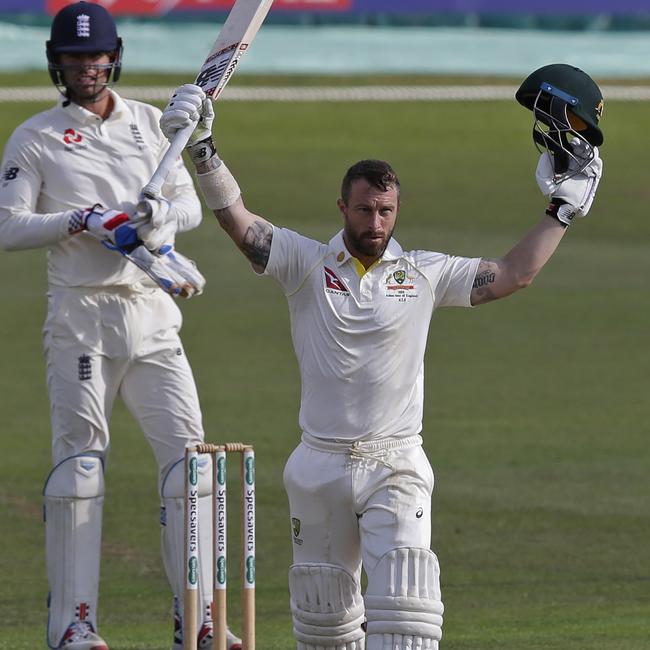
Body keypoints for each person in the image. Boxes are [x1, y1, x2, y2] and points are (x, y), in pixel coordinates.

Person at [159, 63, 603, 649]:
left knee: (405, 608)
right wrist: (204, 150)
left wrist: (561, 212)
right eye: (365, 209)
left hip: (395, 463)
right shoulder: (305, 264)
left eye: (386, 211)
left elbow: (514, 275)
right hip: (319, 465)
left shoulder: (423, 273)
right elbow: (240, 223)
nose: (375, 221)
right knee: (323, 623)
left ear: (397, 210)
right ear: (342, 206)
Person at [0, 3, 241, 649]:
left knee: (192, 468)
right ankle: (74, 625)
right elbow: (7, 226)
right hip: (82, 316)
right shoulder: (36, 137)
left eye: (96, 56)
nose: (87, 68)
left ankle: (198, 617)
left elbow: (187, 203)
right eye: (75, 58)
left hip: (154, 311)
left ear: (115, 57)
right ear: (58, 63)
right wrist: (81, 220)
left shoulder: (150, 124)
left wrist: (161, 218)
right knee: (80, 469)